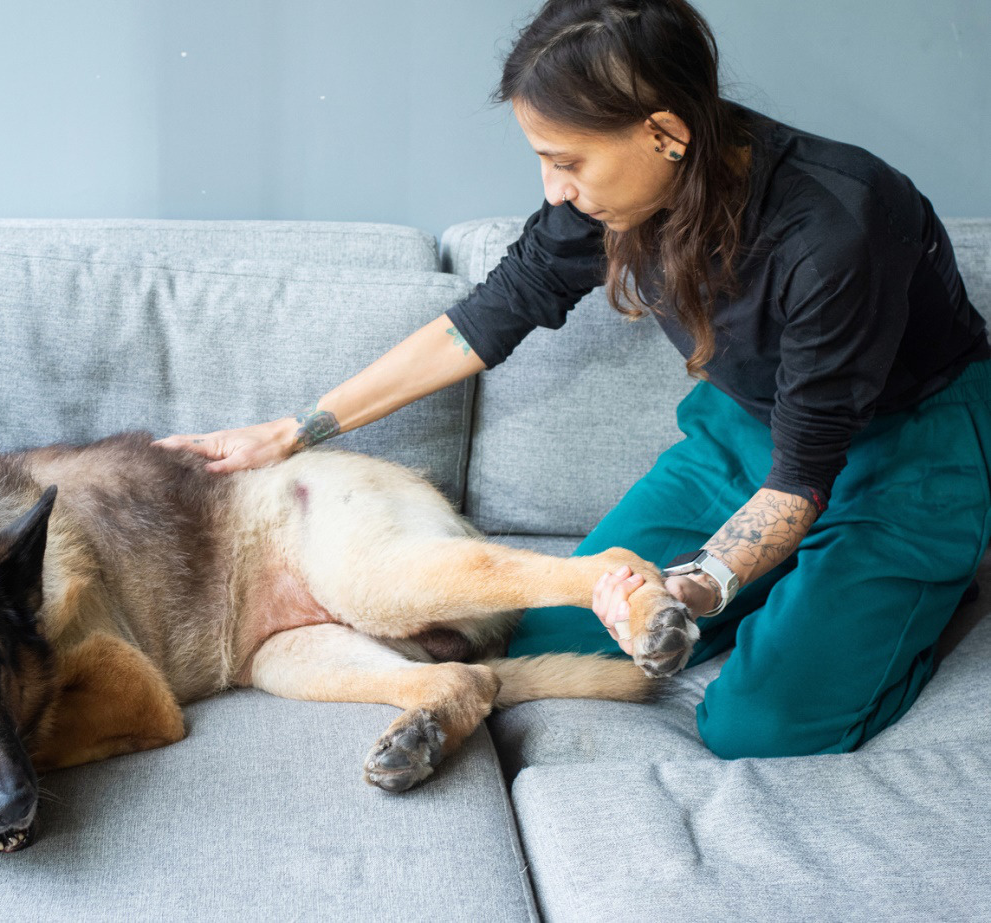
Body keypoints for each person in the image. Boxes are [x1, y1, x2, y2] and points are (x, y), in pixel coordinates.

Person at [156, 0, 991, 759]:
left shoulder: (838, 227)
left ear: (665, 131)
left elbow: (801, 480)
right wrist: (295, 429)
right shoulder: (621, 198)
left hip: (910, 453)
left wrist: (691, 590)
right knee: (545, 636)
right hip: (747, 430)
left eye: (568, 161)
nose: (554, 190)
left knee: (757, 725)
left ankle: (930, 595)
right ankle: (802, 594)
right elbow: (479, 324)